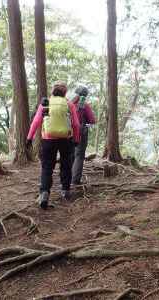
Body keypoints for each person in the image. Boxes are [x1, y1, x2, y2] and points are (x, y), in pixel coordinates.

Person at [26, 81, 80, 209]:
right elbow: (76, 125)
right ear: (65, 92)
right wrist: (76, 139)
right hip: (66, 139)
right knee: (66, 164)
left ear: (52, 91)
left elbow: (36, 122)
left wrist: (29, 138)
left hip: (48, 140)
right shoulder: (69, 104)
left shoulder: (45, 103)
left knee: (47, 167)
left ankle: (44, 192)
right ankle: (65, 190)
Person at [71, 85, 96, 185]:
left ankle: (66, 178)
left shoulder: (69, 103)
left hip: (69, 132)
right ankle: (75, 179)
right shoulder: (85, 106)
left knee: (70, 155)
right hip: (81, 132)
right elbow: (92, 120)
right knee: (79, 156)